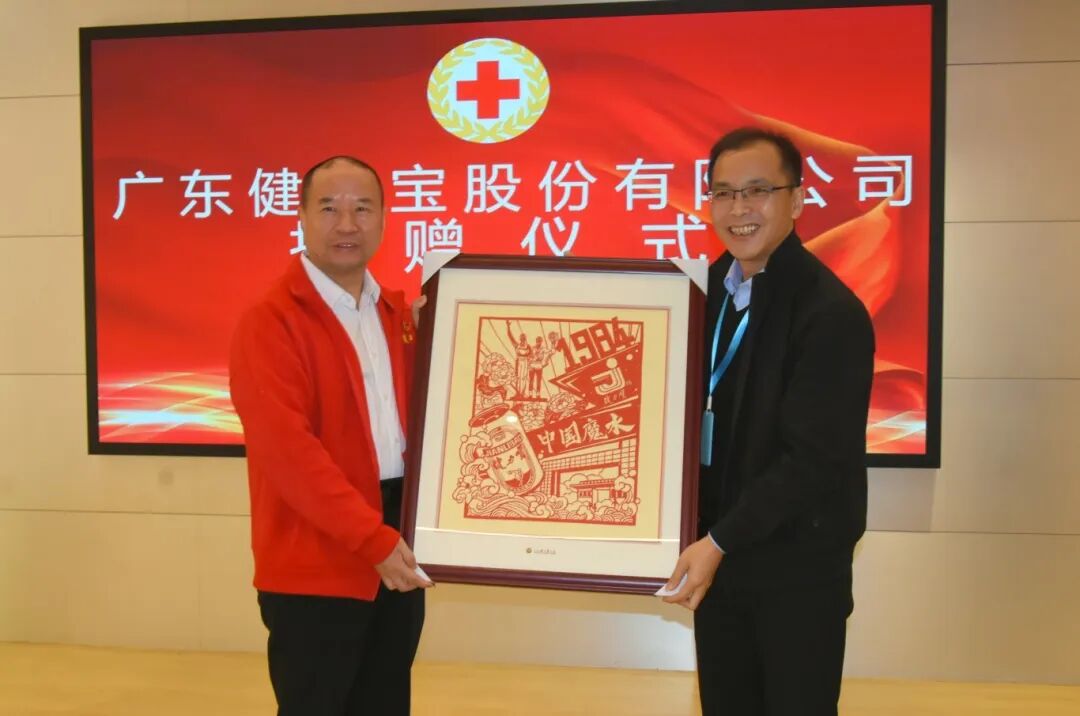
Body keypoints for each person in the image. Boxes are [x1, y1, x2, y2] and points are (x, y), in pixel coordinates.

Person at [662, 127, 875, 716]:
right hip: (717, 563)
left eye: (757, 190)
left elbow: (813, 460)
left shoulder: (830, 313)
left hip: (795, 573)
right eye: (723, 193)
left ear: (796, 199)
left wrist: (718, 542)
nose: (739, 209)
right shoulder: (696, 297)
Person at [229, 155, 433, 716]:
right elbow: (289, 455)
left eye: (363, 208)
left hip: (398, 544)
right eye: (329, 208)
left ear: (385, 218)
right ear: (300, 217)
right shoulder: (270, 321)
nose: (347, 224)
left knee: (385, 701)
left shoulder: (399, 315)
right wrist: (373, 541)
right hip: (315, 561)